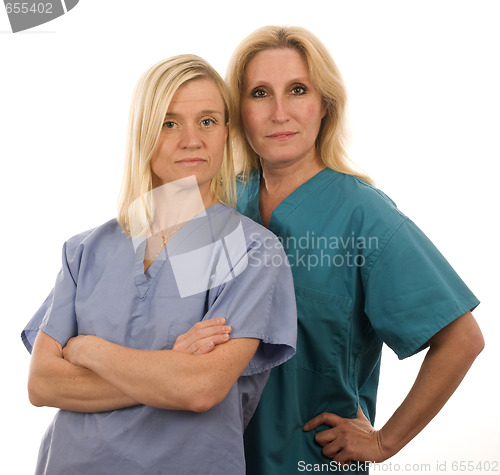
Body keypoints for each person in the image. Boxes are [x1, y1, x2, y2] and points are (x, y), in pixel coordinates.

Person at [223, 25, 484, 474]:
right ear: (238, 110)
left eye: (298, 90)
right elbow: (158, 305)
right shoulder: (221, 204)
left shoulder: (365, 216)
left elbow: (462, 339)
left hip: (310, 463)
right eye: (260, 93)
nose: (279, 112)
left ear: (324, 105)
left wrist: (385, 442)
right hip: (215, 459)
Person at [21, 54, 296, 475]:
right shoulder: (85, 250)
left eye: (207, 121)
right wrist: (168, 364)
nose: (191, 139)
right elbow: (42, 384)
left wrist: (85, 348)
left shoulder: (252, 250)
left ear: (226, 132)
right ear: (144, 132)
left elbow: (199, 387)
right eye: (169, 123)